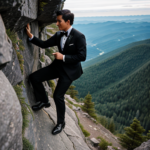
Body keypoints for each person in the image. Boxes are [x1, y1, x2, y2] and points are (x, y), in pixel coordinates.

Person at [26, 9, 86, 135]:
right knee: (34, 77)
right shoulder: (59, 35)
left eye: (59, 21)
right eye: (57, 21)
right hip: (57, 66)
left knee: (58, 96)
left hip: (69, 71)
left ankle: (60, 123)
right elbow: (44, 44)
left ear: (68, 21)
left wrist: (63, 57)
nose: (57, 24)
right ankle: (43, 101)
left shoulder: (79, 36)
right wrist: (31, 36)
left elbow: (82, 56)